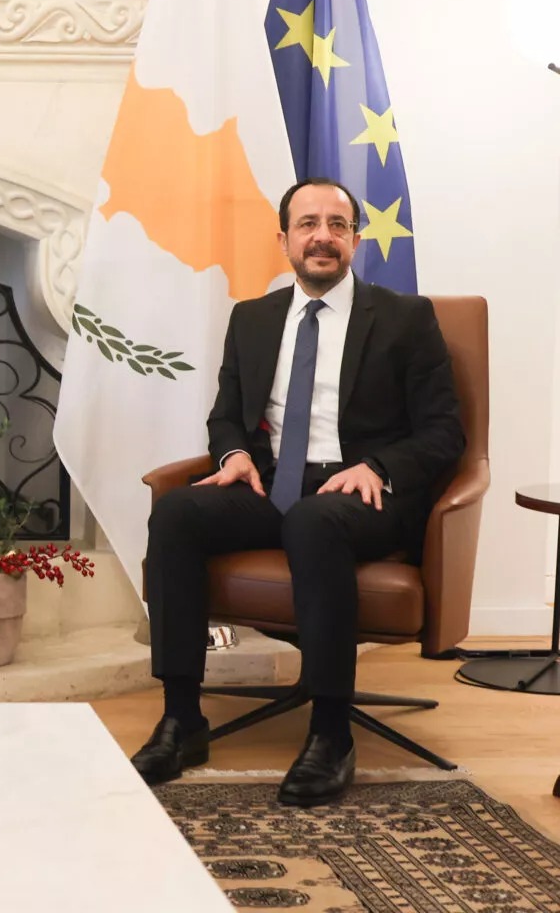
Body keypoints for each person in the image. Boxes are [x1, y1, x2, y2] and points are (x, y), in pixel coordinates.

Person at [132, 177, 464, 807]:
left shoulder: (405, 318)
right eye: (308, 224)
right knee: (177, 513)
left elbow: (445, 431)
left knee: (314, 521)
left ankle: (331, 734)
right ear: (283, 238)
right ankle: (182, 719)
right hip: (273, 482)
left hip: (360, 490)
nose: (322, 237)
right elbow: (226, 414)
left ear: (355, 240)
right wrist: (232, 455)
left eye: (338, 225)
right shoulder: (253, 319)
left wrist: (378, 466)